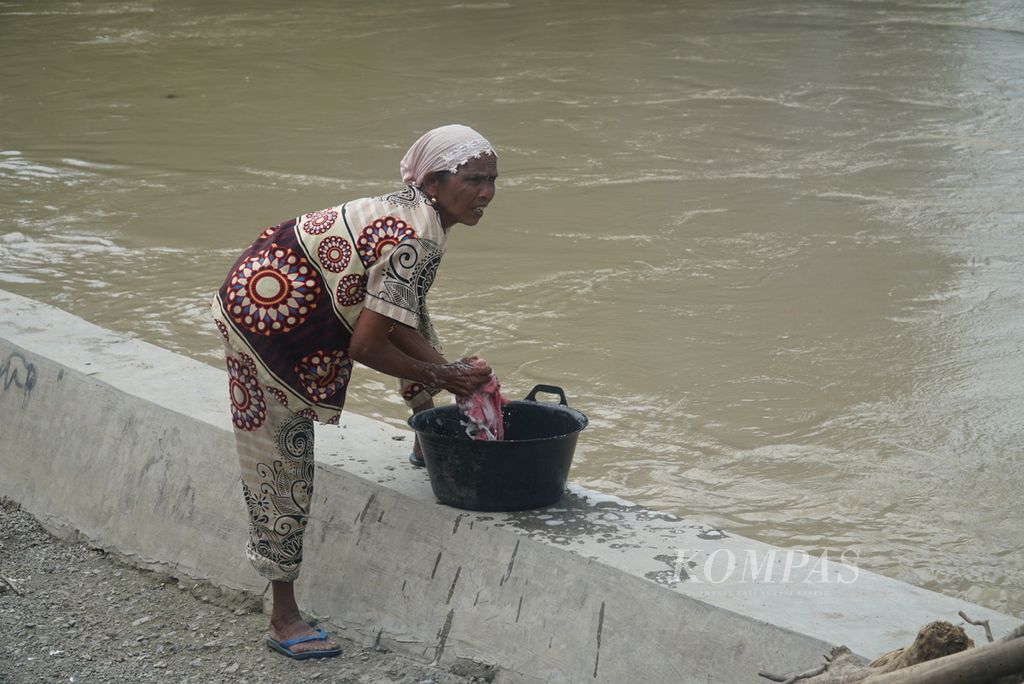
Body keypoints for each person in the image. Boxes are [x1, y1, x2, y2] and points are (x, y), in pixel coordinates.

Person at [210, 124, 498, 659]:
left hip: (269, 279)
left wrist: (450, 373)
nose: (486, 193)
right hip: (267, 318)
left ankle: (424, 437)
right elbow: (368, 345)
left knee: (413, 313)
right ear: (435, 181)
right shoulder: (418, 235)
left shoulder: (419, 213)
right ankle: (283, 617)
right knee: (282, 460)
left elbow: (399, 317)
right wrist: (447, 375)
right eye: (475, 179)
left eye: (493, 181)